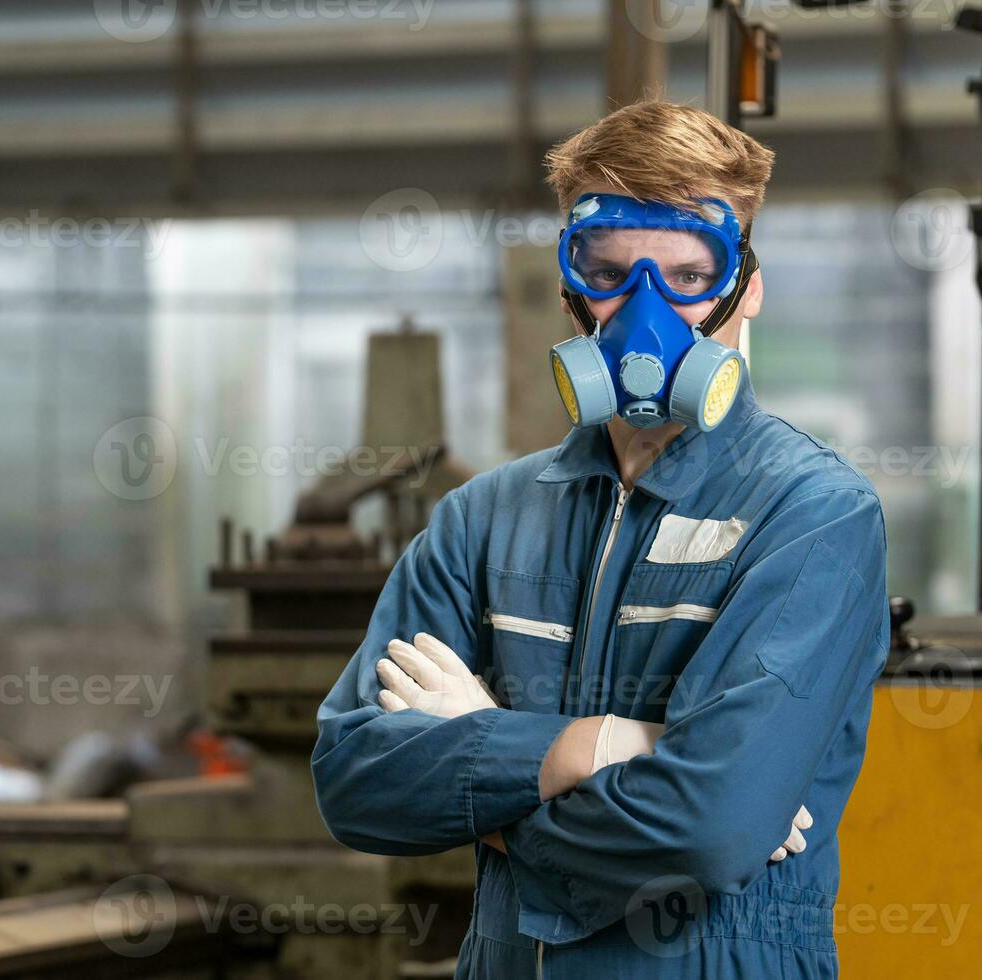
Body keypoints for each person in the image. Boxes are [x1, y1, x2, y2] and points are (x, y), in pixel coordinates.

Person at [312, 100, 888, 978]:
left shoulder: (813, 515)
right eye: (609, 270)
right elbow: (357, 781)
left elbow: (711, 828)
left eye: (690, 276)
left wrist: (490, 761)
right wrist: (612, 745)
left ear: (749, 285)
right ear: (570, 286)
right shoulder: (482, 518)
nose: (645, 312)